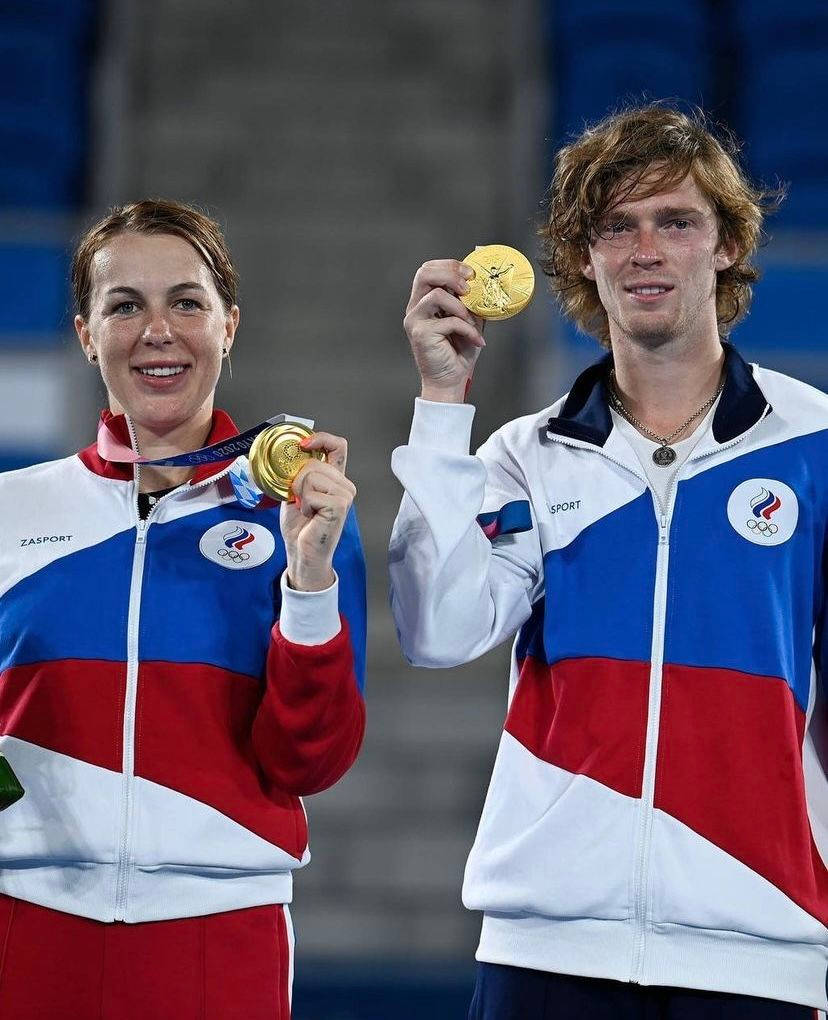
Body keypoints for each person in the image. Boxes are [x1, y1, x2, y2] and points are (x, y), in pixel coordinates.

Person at [389, 105, 828, 1017]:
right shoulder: (525, 454)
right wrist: (441, 404)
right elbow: (437, 631)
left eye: (676, 221)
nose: (645, 250)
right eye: (615, 227)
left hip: (758, 944)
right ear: (583, 258)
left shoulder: (815, 443)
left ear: (726, 246)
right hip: (546, 946)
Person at [0, 199, 366, 1018]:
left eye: (186, 302)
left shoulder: (301, 518)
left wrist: (309, 576)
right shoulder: (9, 511)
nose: (156, 330)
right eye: (124, 305)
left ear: (228, 325)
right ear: (87, 333)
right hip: (25, 923)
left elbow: (311, 761)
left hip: (220, 930)